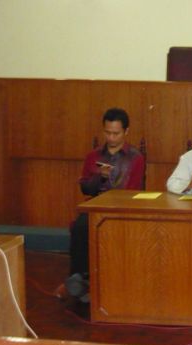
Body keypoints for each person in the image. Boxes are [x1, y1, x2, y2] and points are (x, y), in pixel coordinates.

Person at [65, 108, 145, 302]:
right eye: (107, 133)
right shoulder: (93, 156)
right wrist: (99, 178)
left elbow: (134, 191)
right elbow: (85, 188)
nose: (111, 138)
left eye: (116, 133)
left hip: (123, 208)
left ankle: (114, 282)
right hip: (95, 206)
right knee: (80, 226)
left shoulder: (136, 158)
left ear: (126, 131)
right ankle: (80, 277)